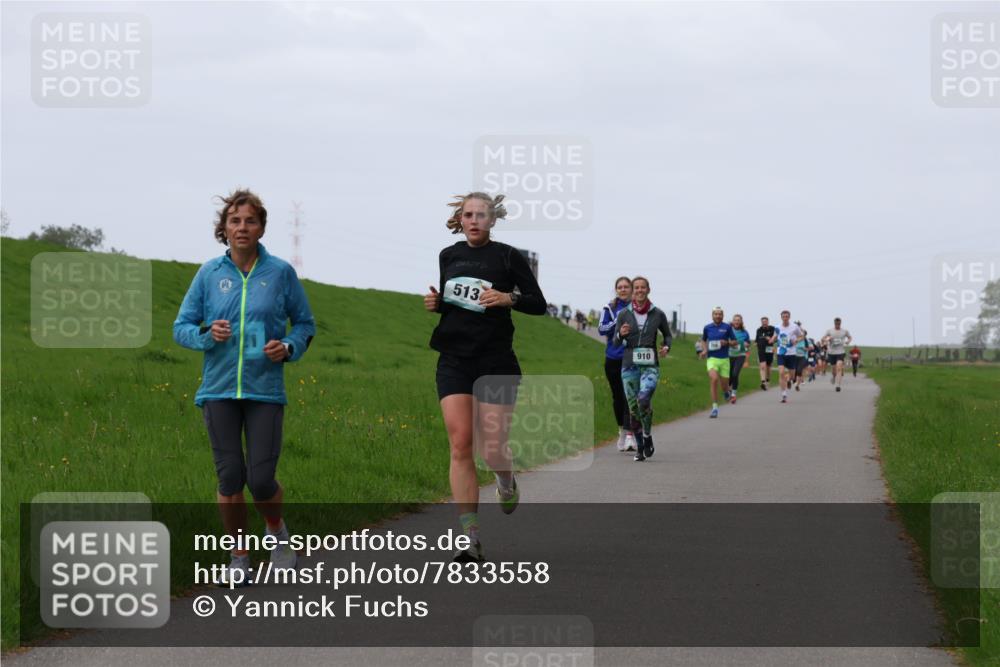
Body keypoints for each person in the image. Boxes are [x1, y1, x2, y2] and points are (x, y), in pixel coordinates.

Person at [173, 189, 316, 586]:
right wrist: (206, 333)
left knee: (261, 479)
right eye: (234, 221)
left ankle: (277, 533)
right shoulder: (209, 274)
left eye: (250, 221)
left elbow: (305, 325)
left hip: (264, 391)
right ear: (224, 228)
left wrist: (287, 347)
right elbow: (181, 327)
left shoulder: (281, 273)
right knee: (229, 476)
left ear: (261, 228)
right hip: (218, 390)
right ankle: (238, 558)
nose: (242, 227)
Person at [424, 192, 546, 563]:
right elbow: (453, 301)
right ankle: (469, 537)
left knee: (492, 448)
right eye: (468, 215)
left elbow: (538, 303)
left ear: (493, 221)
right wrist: (437, 304)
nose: (474, 220)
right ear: (460, 219)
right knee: (460, 443)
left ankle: (506, 482)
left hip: (496, 361)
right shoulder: (449, 255)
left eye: (481, 215)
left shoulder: (508, 256)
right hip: (454, 359)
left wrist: (509, 298)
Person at [614, 277, 672, 462]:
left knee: (643, 399)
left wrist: (666, 347)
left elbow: (668, 336)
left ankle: (647, 435)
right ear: (633, 291)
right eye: (636, 288)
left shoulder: (658, 314)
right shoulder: (624, 313)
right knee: (633, 408)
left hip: (650, 365)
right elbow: (616, 341)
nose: (639, 290)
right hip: (629, 364)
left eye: (642, 287)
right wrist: (620, 334)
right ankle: (640, 447)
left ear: (648, 289)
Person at [598, 277, 637, 453]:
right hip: (612, 358)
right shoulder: (609, 308)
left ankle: (630, 435)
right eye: (619, 287)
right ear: (616, 290)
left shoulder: (638, 308)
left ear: (631, 289)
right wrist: (618, 322)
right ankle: (621, 430)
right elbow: (602, 329)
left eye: (626, 287)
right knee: (617, 397)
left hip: (631, 357)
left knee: (629, 395)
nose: (622, 289)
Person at [700, 307, 736, 418]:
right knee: (714, 379)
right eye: (715, 314)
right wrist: (704, 350)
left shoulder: (727, 327)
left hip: (724, 359)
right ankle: (715, 408)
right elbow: (703, 340)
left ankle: (726, 392)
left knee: (724, 386)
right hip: (712, 359)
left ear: (723, 316)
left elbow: (735, 342)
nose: (718, 316)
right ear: (712, 315)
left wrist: (727, 343)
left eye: (720, 314)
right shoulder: (707, 328)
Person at [774, 310, 804, 404]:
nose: (785, 318)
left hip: (791, 353)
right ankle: (784, 395)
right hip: (781, 353)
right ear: (781, 317)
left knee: (792, 375)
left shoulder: (794, 327)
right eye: (784, 316)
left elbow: (801, 336)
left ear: (789, 317)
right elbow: (775, 336)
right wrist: (771, 340)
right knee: (781, 372)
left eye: (787, 316)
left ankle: (789, 380)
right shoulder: (777, 327)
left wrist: (796, 341)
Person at [822, 318, 853, 392]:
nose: (837, 325)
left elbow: (850, 337)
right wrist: (826, 340)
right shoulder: (829, 331)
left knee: (839, 367)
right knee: (834, 369)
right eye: (836, 323)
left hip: (840, 352)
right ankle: (833, 376)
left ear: (840, 323)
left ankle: (838, 385)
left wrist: (848, 341)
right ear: (834, 323)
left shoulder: (844, 331)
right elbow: (823, 338)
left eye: (838, 324)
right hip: (831, 352)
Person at [727, 314, 751, 404]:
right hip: (729, 355)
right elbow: (724, 340)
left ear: (741, 322)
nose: (736, 321)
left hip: (740, 355)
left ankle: (733, 394)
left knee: (735, 374)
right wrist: (730, 343)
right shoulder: (728, 330)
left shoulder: (745, 332)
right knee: (728, 375)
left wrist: (746, 344)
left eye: (738, 320)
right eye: (735, 320)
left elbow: (748, 343)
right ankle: (728, 390)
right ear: (732, 321)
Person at [755, 316, 777, 390]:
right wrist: (756, 343)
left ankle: (768, 379)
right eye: (763, 322)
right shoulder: (759, 330)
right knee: (762, 366)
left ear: (768, 322)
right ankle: (763, 382)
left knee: (768, 366)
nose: (764, 323)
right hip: (761, 349)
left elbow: (776, 339)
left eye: (765, 321)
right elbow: (757, 339)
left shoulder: (772, 329)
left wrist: (770, 339)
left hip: (769, 349)